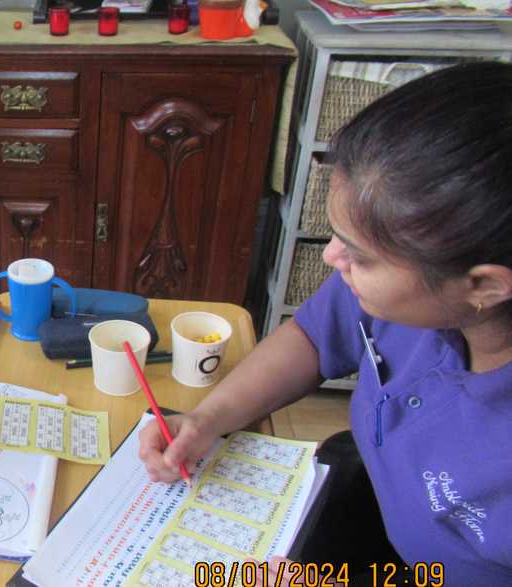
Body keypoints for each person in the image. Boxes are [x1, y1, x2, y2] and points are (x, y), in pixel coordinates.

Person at [138, 61, 512, 586]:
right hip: (370, 503)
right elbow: (313, 337)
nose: (332, 257)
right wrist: (209, 418)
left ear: (484, 286)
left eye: (360, 255)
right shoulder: (410, 295)